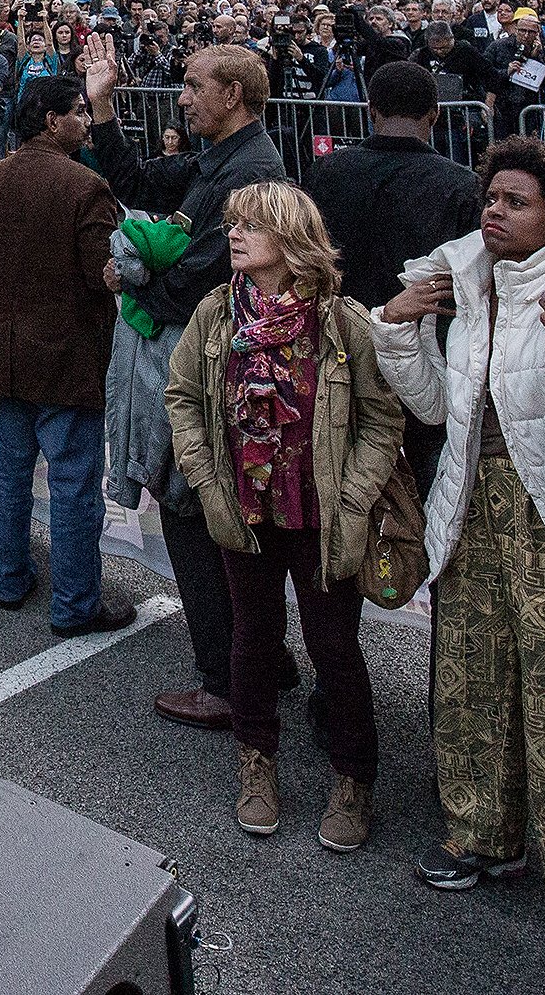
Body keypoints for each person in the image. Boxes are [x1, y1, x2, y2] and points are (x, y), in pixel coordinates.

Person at [373, 138, 545, 977]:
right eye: (491, 198)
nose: (494, 211)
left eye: (516, 201)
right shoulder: (469, 293)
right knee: (469, 682)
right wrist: (399, 326)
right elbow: (434, 408)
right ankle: (482, 833)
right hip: (471, 513)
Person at [163, 181, 405, 851]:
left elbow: (383, 417)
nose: (234, 234)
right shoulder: (216, 314)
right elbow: (182, 395)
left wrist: (353, 496)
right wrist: (206, 478)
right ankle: (256, 762)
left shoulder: (341, 321)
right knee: (253, 636)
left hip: (321, 510)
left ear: (293, 240)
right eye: (233, 224)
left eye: (252, 226)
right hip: (242, 508)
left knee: (334, 646)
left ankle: (354, 779)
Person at [82, 37, 285, 732]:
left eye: (195, 85)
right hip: (206, 364)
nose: (183, 96)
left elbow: (197, 278)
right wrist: (102, 104)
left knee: (191, 512)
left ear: (234, 95)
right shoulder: (222, 158)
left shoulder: (250, 172)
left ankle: (224, 679)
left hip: (210, 370)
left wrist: (127, 277)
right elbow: (140, 184)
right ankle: (255, 651)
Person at [0, 75, 133, 637]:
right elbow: (102, 276)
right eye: (79, 111)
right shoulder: (86, 188)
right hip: (65, 356)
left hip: (3, 356)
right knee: (73, 483)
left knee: (8, 473)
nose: (86, 120)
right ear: (51, 120)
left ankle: (9, 579)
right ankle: (75, 604)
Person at [305, 57, 481, 310]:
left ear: (370, 110)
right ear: (435, 114)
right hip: (419, 332)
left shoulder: (325, 170)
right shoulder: (462, 185)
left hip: (337, 322)